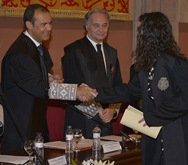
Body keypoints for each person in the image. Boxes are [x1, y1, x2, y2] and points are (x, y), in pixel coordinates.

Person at [1, 4, 97, 153]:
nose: (49, 28)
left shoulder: (38, 46)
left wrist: (50, 78)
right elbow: (39, 87)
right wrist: (75, 91)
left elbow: (37, 76)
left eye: (50, 23)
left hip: (36, 124)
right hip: (21, 129)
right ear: (29, 25)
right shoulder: (19, 53)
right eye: (43, 24)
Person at [96, 12, 188, 165]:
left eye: (141, 30)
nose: (139, 35)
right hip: (152, 137)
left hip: (174, 135)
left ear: (152, 33)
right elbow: (128, 91)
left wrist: (153, 117)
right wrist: (95, 93)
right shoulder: (145, 65)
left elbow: (185, 98)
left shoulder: (175, 63)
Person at [61, 8, 123, 138]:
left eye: (105, 25)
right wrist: (98, 110)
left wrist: (113, 110)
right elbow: (73, 88)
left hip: (106, 122)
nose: (101, 29)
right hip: (82, 121)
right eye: (96, 25)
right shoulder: (74, 50)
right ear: (87, 26)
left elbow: (118, 86)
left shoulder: (112, 52)